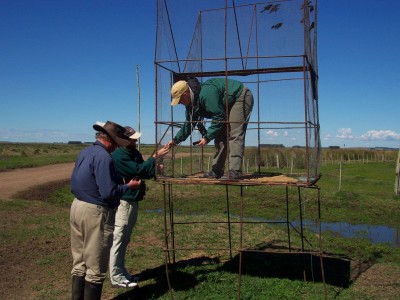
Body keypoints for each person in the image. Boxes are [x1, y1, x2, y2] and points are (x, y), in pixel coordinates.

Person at [70, 121, 142, 300]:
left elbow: (75, 182)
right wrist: (128, 187)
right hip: (95, 211)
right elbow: (108, 191)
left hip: (76, 207)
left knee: (79, 263)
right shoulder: (104, 157)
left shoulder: (85, 152)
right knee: (95, 266)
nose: (118, 145)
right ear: (110, 140)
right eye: (117, 141)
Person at [109, 126, 170, 288]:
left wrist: (155, 168)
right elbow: (137, 169)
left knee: (125, 239)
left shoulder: (133, 153)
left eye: (135, 138)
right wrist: (155, 157)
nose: (136, 140)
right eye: (132, 138)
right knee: (119, 238)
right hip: (123, 201)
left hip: (133, 201)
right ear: (124, 140)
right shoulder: (119, 156)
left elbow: (143, 171)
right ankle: (115, 276)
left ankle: (121, 272)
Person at [165, 78, 254, 179]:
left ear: (186, 94)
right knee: (220, 137)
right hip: (224, 105)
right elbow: (189, 124)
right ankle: (217, 171)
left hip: (240, 96)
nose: (180, 103)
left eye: (180, 99)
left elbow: (219, 116)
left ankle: (235, 171)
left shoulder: (206, 94)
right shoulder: (191, 104)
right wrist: (175, 140)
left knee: (234, 132)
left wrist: (207, 137)